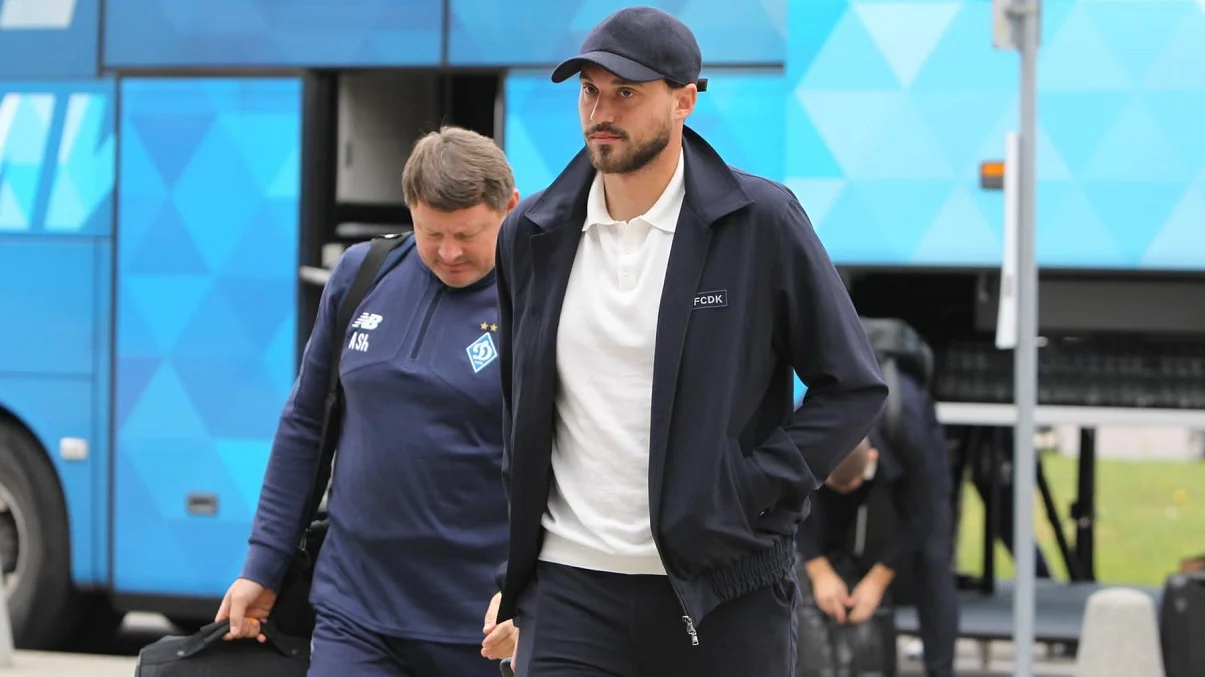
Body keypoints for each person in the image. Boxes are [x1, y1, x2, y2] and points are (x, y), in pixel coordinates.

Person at [483, 7, 889, 676]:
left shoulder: (759, 222)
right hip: (568, 593)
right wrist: (517, 573)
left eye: (626, 92)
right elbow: (518, 411)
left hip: (723, 589)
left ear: (684, 100)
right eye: (589, 90)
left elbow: (852, 386)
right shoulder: (530, 234)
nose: (600, 111)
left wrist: (747, 487)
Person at [215, 126, 521, 677]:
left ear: (510, 208)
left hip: (482, 627)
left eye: (467, 234)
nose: (449, 252)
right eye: (431, 232)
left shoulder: (537, 302)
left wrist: (531, 590)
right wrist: (262, 565)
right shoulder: (362, 274)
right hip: (353, 614)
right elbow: (305, 425)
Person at [796, 370, 959, 677]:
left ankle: (941, 670)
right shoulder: (807, 424)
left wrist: (877, 580)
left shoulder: (909, 432)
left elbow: (921, 515)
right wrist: (819, 570)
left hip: (909, 443)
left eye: (851, 486)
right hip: (826, 453)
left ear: (872, 458)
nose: (846, 494)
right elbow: (786, 501)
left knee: (933, 557)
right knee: (820, 541)